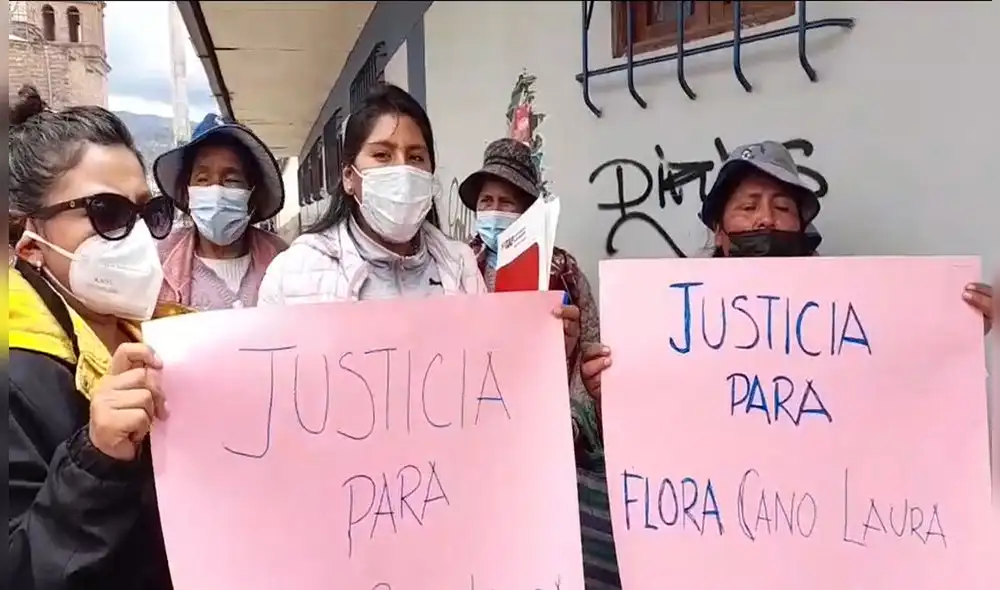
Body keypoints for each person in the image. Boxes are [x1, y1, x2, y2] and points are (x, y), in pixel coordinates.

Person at [579, 140, 995, 396]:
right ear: (720, 231)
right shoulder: (668, 322)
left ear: (802, 227)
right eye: (747, 206)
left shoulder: (844, 317)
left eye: (782, 207)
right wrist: (608, 391)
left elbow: (897, 375)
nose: (766, 219)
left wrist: (956, 333)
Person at [257, 83, 582, 359]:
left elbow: (493, 374)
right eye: (382, 155)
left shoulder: (460, 266)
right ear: (349, 177)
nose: (402, 170)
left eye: (415, 157)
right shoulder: (292, 275)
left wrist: (546, 350)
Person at [7, 85, 175, 588]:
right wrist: (96, 459)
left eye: (148, 213)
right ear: (29, 237)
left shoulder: (161, 336)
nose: (138, 237)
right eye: (107, 213)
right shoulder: (17, 370)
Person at [458, 139, 618, 587]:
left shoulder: (564, 271)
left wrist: (564, 360)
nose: (493, 211)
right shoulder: (458, 265)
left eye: (507, 202)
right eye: (486, 202)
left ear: (529, 210)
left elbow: (592, 355)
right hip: (477, 437)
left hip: (551, 442)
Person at [152, 113, 287, 310]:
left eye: (231, 180)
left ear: (252, 192)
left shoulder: (282, 257)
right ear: (187, 190)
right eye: (202, 179)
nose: (215, 190)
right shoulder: (161, 261)